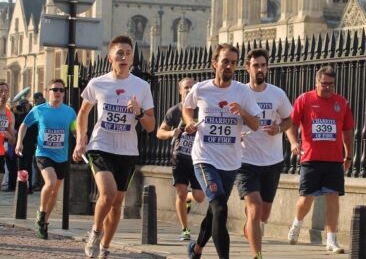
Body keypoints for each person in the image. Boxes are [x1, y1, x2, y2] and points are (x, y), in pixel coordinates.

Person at [73, 35, 156, 259]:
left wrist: (138, 112)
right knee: (107, 194)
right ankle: (95, 232)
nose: (124, 57)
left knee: (118, 202)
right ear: (110, 57)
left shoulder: (141, 87)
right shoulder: (98, 83)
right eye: (119, 53)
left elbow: (151, 125)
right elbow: (82, 113)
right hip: (101, 145)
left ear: (132, 59)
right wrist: (81, 139)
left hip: (127, 151)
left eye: (128, 53)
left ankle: (106, 246)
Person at [184, 43, 261, 259]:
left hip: (231, 162)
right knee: (219, 208)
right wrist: (190, 121)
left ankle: (196, 250)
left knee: (214, 211)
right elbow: (187, 107)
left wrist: (242, 112)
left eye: (233, 63)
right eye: (225, 61)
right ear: (214, 63)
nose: (229, 66)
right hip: (204, 158)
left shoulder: (242, 91)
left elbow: (255, 124)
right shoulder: (201, 88)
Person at [285, 65, 355, 254]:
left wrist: (348, 155)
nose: (327, 88)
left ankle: (331, 240)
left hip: (334, 160)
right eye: (324, 84)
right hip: (310, 159)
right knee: (306, 199)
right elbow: (291, 124)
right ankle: (297, 223)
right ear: (316, 82)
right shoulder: (305, 100)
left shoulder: (342, 102)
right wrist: (293, 143)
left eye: (331, 84)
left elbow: (347, 131)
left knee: (333, 198)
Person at [237, 48, 293, 259]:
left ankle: (250, 227)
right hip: (245, 160)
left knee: (264, 213)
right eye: (255, 65)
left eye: (263, 65)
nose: (260, 69)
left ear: (267, 68)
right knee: (255, 207)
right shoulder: (240, 92)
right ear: (247, 68)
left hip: (272, 161)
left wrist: (279, 129)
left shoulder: (277, 94)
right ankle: (257, 255)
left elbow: (290, 119)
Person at [15, 79, 76, 239]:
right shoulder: (39, 110)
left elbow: (75, 128)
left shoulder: (69, 112)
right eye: (55, 89)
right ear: (48, 91)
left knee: (55, 191)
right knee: (50, 182)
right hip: (43, 154)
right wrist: (19, 142)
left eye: (61, 90)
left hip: (62, 156)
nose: (58, 93)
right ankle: (41, 213)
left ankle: (43, 223)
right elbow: (24, 125)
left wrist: (80, 139)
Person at [156, 77, 205, 241]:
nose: (189, 90)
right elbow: (159, 132)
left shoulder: (202, 110)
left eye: (192, 87)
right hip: (179, 158)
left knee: (199, 196)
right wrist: (171, 133)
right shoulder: (174, 111)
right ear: (180, 91)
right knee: (181, 193)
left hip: (198, 158)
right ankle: (185, 229)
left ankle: (189, 198)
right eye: (186, 87)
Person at [0, 82, 15, 190]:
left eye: (6, 91)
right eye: (1, 91)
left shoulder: (10, 114)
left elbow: (12, 141)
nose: (3, 94)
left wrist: (9, 136)